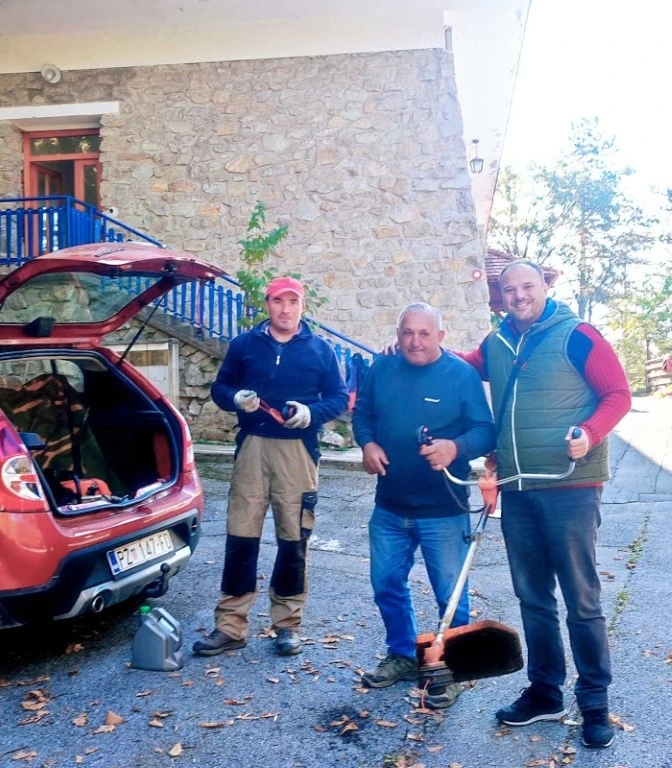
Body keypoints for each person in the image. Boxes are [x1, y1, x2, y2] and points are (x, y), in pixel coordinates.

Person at [385, 261, 631, 747]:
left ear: (544, 288)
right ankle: (544, 693)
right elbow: (459, 362)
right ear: (500, 295)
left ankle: (595, 702)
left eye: (527, 287)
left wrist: (590, 432)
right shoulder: (496, 345)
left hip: (570, 486)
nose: (518, 295)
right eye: (509, 289)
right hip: (518, 486)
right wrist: (420, 346)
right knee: (534, 598)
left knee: (582, 601)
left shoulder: (578, 335)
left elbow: (617, 394)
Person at [193, 276, 348, 658]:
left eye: (292, 302)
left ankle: (287, 625)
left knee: (293, 540)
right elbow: (220, 388)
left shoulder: (320, 350)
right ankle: (230, 626)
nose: (285, 309)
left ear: (302, 306)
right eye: (278, 301)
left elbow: (339, 398)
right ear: (268, 304)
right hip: (252, 449)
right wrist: (235, 399)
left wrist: (312, 412)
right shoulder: (244, 345)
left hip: (298, 452)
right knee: (240, 537)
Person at [352, 303, 495, 709]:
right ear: (398, 334)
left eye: (424, 333)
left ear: (441, 336)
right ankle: (401, 655)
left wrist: (455, 448)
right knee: (386, 585)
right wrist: (368, 443)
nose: (414, 341)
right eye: (407, 333)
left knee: (450, 596)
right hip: (390, 507)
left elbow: (485, 430)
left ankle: (452, 669)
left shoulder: (461, 375)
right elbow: (362, 414)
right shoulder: (382, 369)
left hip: (443, 510)